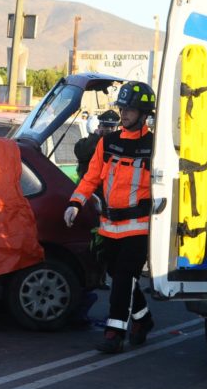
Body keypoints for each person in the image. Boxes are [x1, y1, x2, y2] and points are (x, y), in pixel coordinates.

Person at [63, 81, 156, 354]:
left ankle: (114, 333)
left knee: (124, 277)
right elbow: (91, 177)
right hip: (109, 226)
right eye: (123, 108)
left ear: (143, 112)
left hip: (139, 228)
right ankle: (143, 319)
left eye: (130, 109)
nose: (124, 114)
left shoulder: (154, 146)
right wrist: (75, 204)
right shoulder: (108, 142)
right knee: (119, 275)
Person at [73, 109, 120, 180]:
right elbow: (82, 154)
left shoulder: (120, 145)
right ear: (99, 127)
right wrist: (94, 137)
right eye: (106, 127)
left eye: (112, 127)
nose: (109, 130)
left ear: (116, 128)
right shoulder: (87, 142)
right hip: (90, 186)